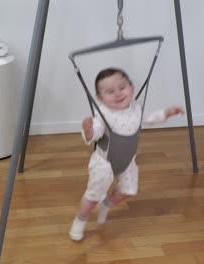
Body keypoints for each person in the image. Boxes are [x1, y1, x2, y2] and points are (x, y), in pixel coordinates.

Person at [69, 67, 184, 241]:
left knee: (128, 190)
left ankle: (106, 205)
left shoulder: (136, 108)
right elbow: (95, 134)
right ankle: (80, 219)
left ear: (132, 88)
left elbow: (150, 118)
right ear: (100, 98)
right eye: (110, 92)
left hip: (127, 160)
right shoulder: (103, 114)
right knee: (93, 196)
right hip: (104, 163)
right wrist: (88, 129)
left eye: (122, 88)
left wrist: (167, 112)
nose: (117, 94)